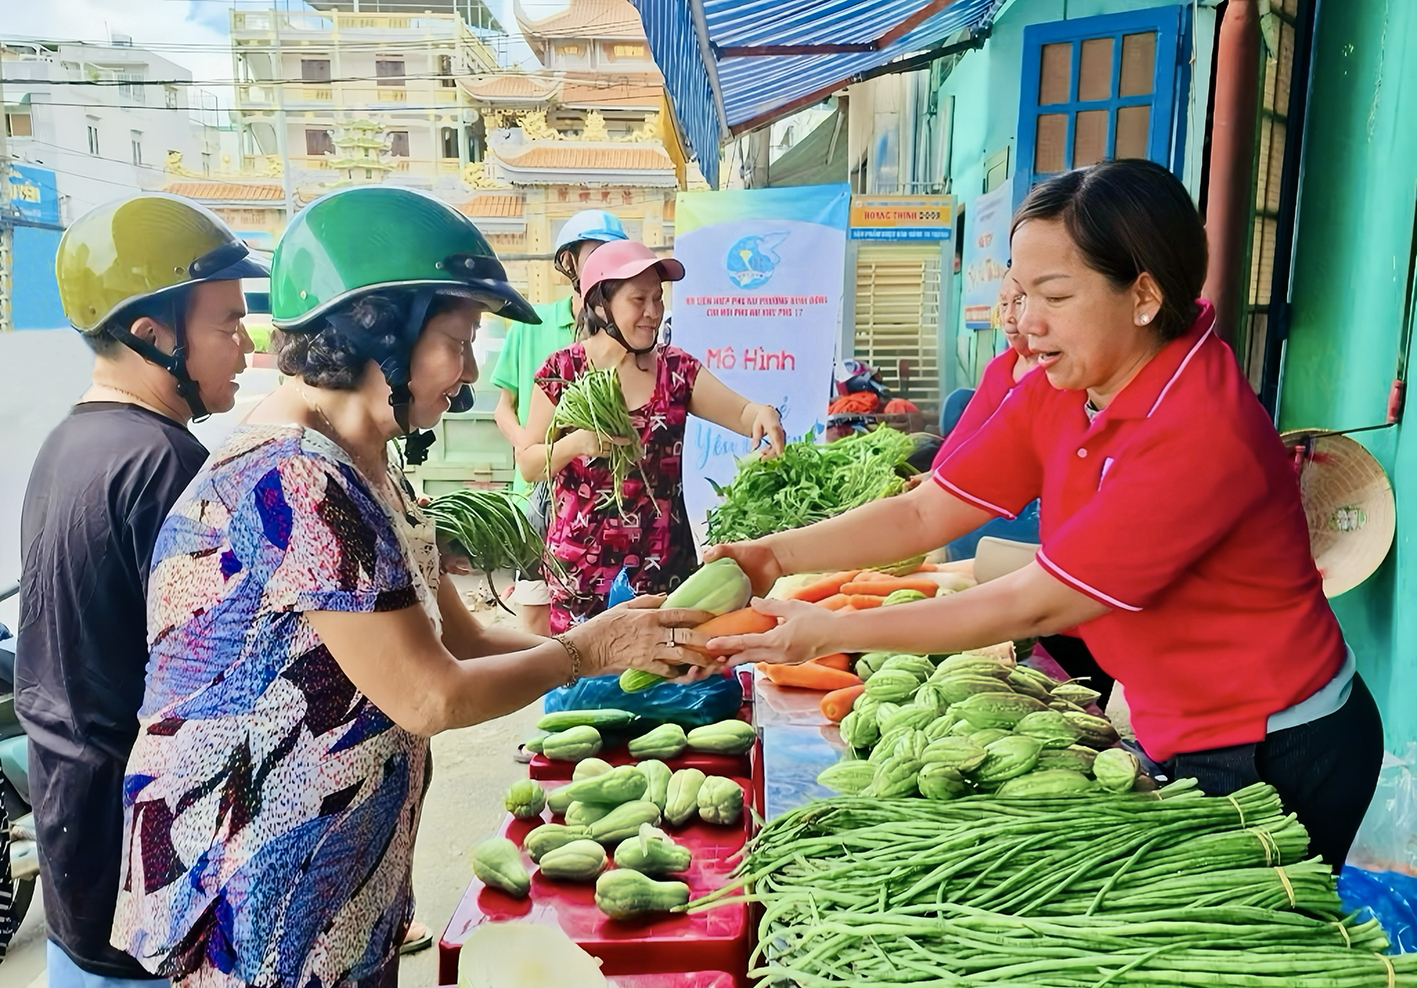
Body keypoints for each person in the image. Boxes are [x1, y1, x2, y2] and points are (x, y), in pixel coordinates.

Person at [108, 187, 714, 988]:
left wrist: (623, 648)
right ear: (374, 328)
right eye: (456, 340)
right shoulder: (290, 477)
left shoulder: (363, 462)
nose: (466, 374)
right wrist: (585, 649)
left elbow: (458, 639)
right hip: (255, 882)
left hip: (342, 864)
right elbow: (428, 696)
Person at [704, 159, 1383, 870]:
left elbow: (1034, 605)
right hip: (1176, 720)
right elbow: (925, 512)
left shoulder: (1198, 431)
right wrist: (771, 555)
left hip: (1276, 742)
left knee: (1239, 956)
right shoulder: (1074, 379)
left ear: (1144, 294)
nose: (1025, 324)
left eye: (1052, 295)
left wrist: (831, 632)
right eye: (1020, 293)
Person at [15, 194, 268, 988]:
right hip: (147, 876)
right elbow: (228, 694)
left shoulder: (69, 443)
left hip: (74, 845)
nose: (248, 342)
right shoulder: (168, 469)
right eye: (227, 323)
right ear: (151, 335)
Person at [517, 239, 787, 633]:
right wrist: (576, 444)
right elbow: (527, 462)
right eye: (638, 299)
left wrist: (762, 413)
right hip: (582, 579)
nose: (653, 313)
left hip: (664, 580)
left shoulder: (676, 370)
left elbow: (744, 413)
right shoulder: (564, 370)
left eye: (658, 299)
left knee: (658, 688)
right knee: (586, 692)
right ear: (598, 305)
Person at [491, 209, 628, 636]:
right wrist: (529, 449)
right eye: (593, 253)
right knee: (535, 608)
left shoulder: (625, 334)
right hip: (537, 489)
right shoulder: (532, 325)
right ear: (569, 262)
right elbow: (503, 406)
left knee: (593, 611)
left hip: (595, 498)